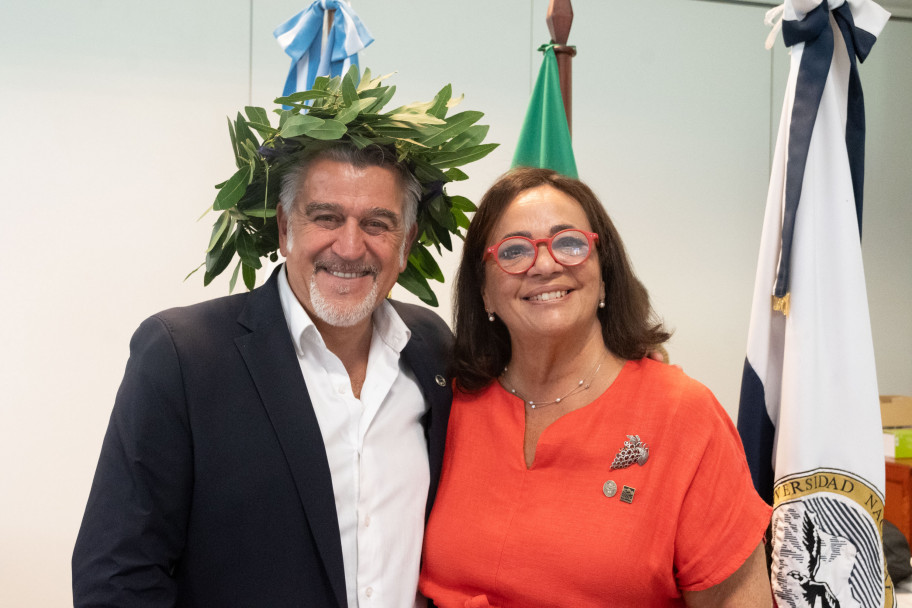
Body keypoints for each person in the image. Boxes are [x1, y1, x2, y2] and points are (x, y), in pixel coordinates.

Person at [72, 144, 454, 608]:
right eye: (327, 217)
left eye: (377, 223)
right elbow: (118, 575)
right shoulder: (183, 355)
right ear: (285, 228)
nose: (351, 247)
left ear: (407, 242)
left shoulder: (431, 348)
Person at [419, 168, 773, 607]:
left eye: (569, 243)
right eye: (514, 250)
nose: (545, 265)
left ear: (604, 276)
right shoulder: (450, 405)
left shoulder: (683, 415)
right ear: (485, 293)